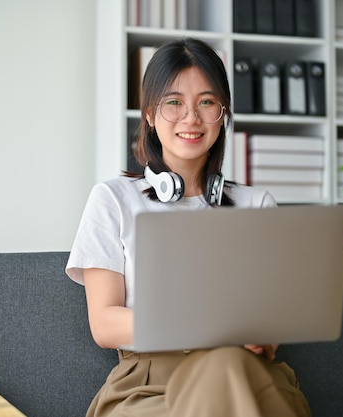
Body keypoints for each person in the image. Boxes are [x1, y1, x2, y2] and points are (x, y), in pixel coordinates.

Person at [66, 38, 311, 417]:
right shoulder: (113, 200)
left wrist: (262, 337)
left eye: (207, 102)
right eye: (174, 102)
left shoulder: (257, 205)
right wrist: (207, 325)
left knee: (232, 369)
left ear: (223, 112)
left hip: (247, 376)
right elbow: (104, 323)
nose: (191, 118)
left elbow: (270, 326)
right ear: (149, 114)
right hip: (148, 386)